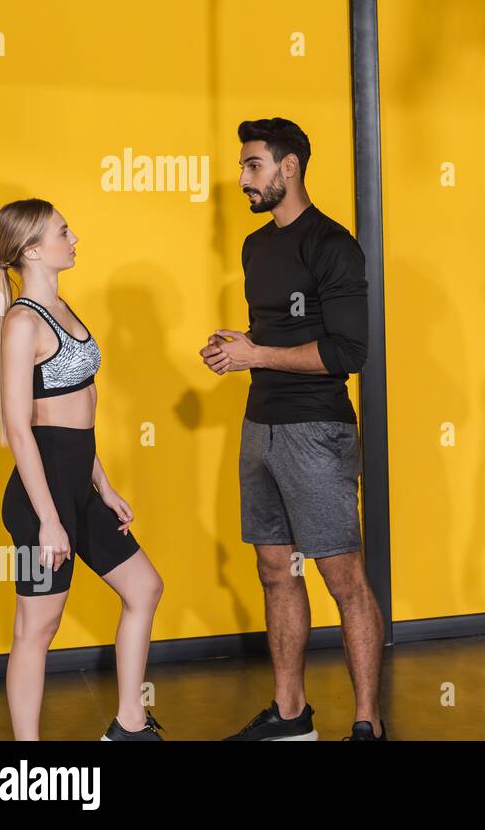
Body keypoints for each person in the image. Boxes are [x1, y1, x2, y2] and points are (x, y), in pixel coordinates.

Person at [200, 117, 385, 741]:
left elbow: (347, 354)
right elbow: (271, 337)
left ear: (289, 167)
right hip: (262, 426)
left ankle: (367, 722)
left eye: (253, 164)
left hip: (317, 432)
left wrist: (256, 355)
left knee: (344, 580)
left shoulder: (332, 245)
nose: (243, 177)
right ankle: (290, 715)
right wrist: (237, 347)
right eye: (244, 164)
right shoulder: (256, 247)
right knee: (276, 570)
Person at [0, 198, 165, 741]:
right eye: (64, 231)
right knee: (36, 630)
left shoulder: (63, 310)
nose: (75, 238)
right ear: (33, 250)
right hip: (39, 500)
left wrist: (104, 486)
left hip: (79, 489)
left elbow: (77, 417)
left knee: (145, 588)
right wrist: (48, 520)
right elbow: (22, 429)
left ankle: (129, 722)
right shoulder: (22, 323)